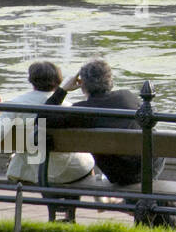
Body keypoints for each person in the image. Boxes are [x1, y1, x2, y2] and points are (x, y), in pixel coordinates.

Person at [44, 59, 165, 187]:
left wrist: (62, 90)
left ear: (82, 84)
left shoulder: (81, 111)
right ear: (110, 80)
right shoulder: (127, 96)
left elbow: (42, 119)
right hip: (149, 167)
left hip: (117, 174)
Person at [0, 62, 95, 188]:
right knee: (85, 159)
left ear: (31, 80)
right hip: (70, 172)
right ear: (59, 81)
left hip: (34, 172)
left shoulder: (15, 105)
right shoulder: (68, 107)